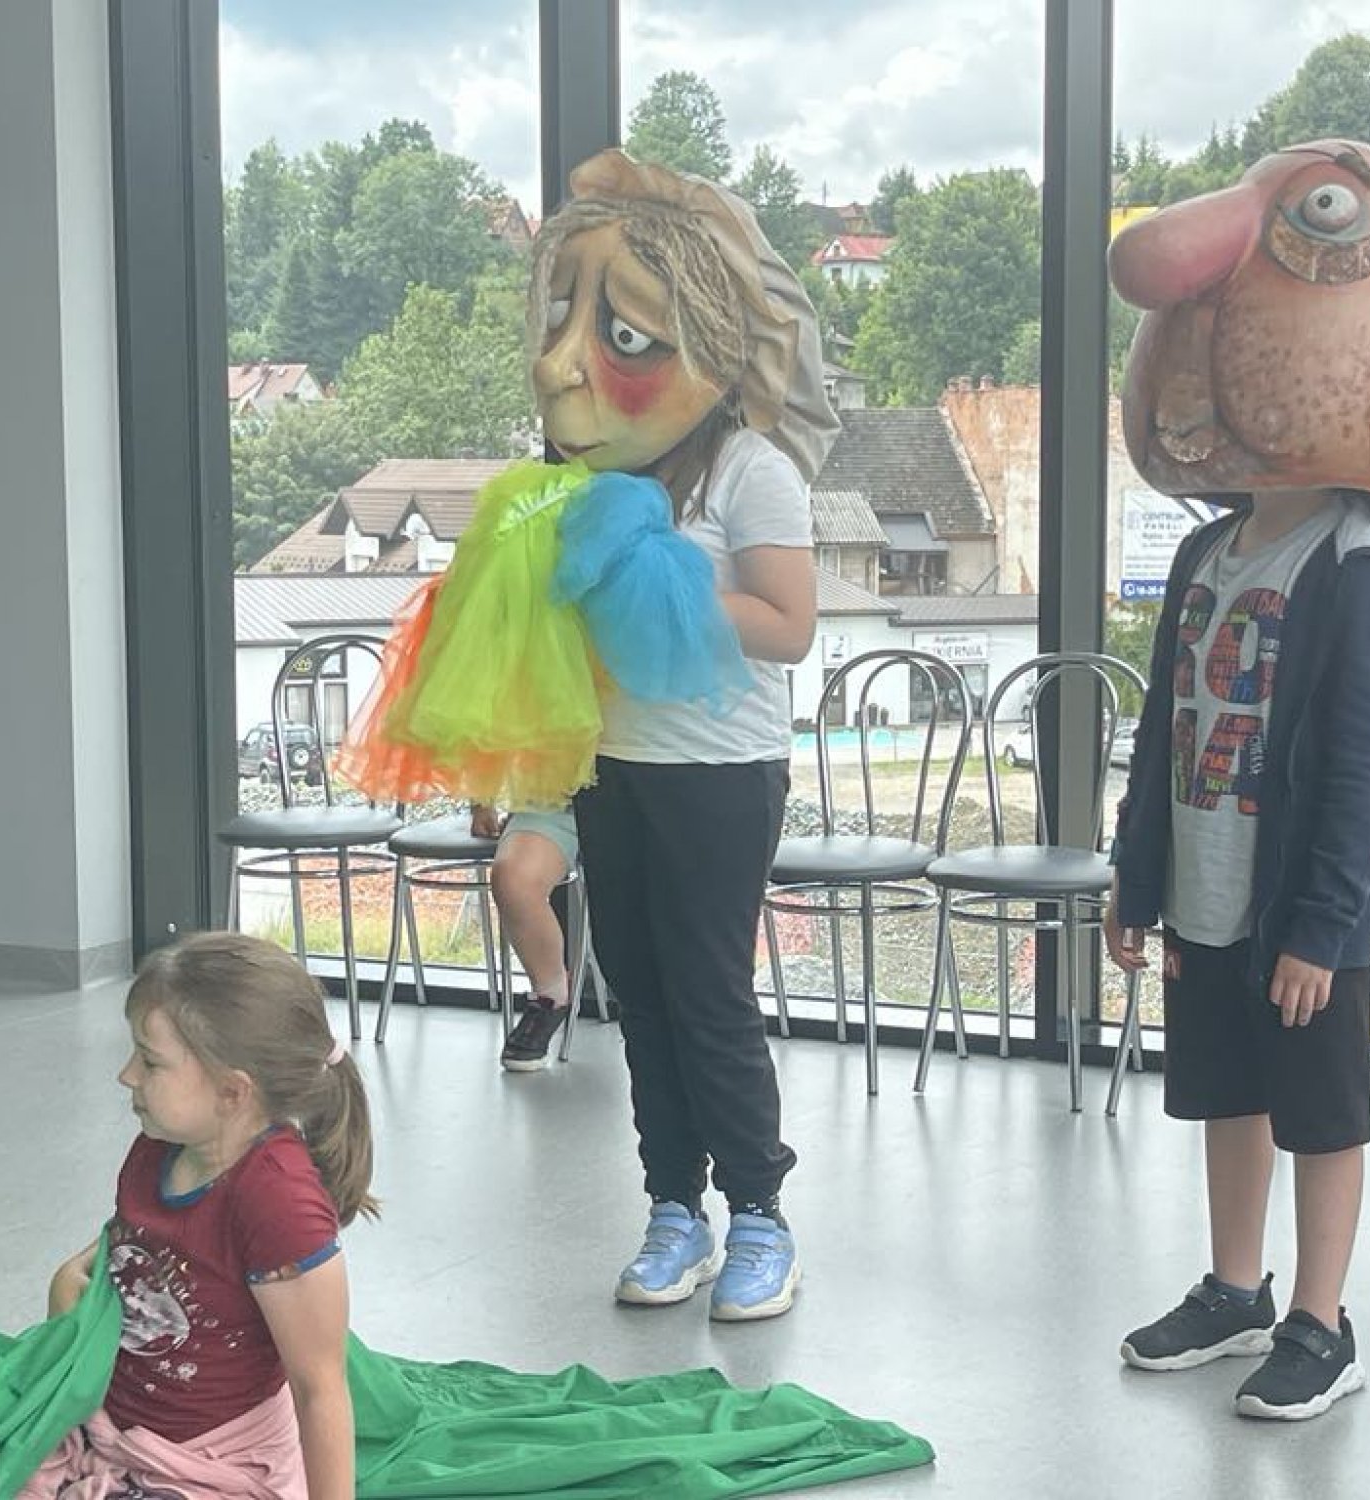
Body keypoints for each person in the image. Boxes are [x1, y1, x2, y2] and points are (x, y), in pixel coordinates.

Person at [1102, 140, 1370, 1420]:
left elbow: (1358, 764)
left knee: (1318, 1114)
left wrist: (1323, 924)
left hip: (1299, 910)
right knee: (1228, 1094)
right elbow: (1163, 725)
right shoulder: (1206, 554)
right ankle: (1235, 1287)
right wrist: (1134, 877)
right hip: (1205, 889)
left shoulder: (1356, 567)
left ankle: (1322, 1320)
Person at [526, 149, 837, 1323]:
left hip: (718, 773)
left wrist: (656, 580)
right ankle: (673, 1210)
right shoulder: (591, 478)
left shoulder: (752, 473)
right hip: (611, 768)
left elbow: (788, 626)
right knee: (641, 1001)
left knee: (708, 1000)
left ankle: (759, 1215)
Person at [25, 932, 375, 1499]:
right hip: (119, 1435)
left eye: (150, 1061)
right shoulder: (159, 1144)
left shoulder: (279, 1203)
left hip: (218, 1463)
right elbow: (134, 1242)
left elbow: (320, 1389)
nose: (126, 1075)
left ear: (232, 1092)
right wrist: (73, 1276)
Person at [471, 802, 579, 1071]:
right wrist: (482, 800)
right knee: (514, 879)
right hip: (558, 800)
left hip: (657, 790)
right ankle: (551, 994)